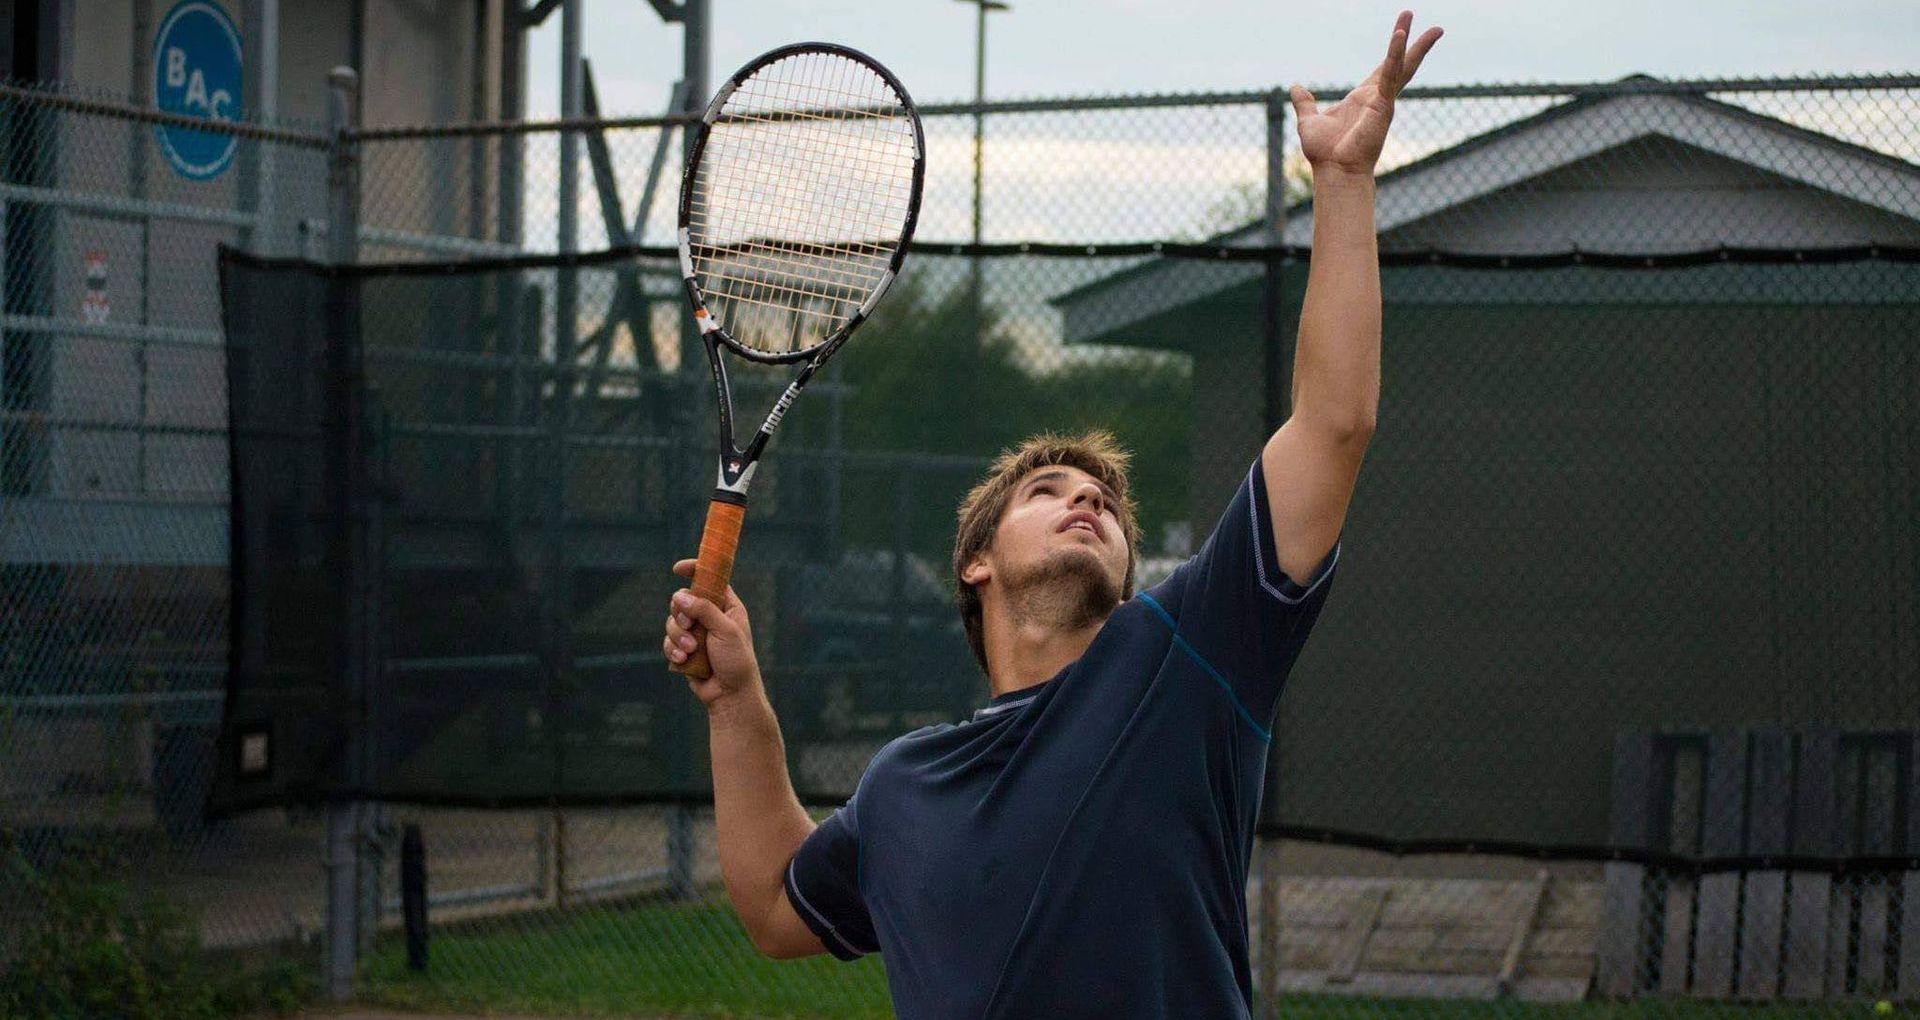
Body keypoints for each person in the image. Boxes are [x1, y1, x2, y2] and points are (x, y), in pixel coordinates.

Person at [660, 12, 1441, 1017]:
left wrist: (1342, 181)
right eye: (1047, 492)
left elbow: (1333, 425)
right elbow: (776, 907)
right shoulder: (905, 786)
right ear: (975, 564)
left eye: (1104, 502)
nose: (1088, 498)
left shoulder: (1185, 665)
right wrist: (735, 701)